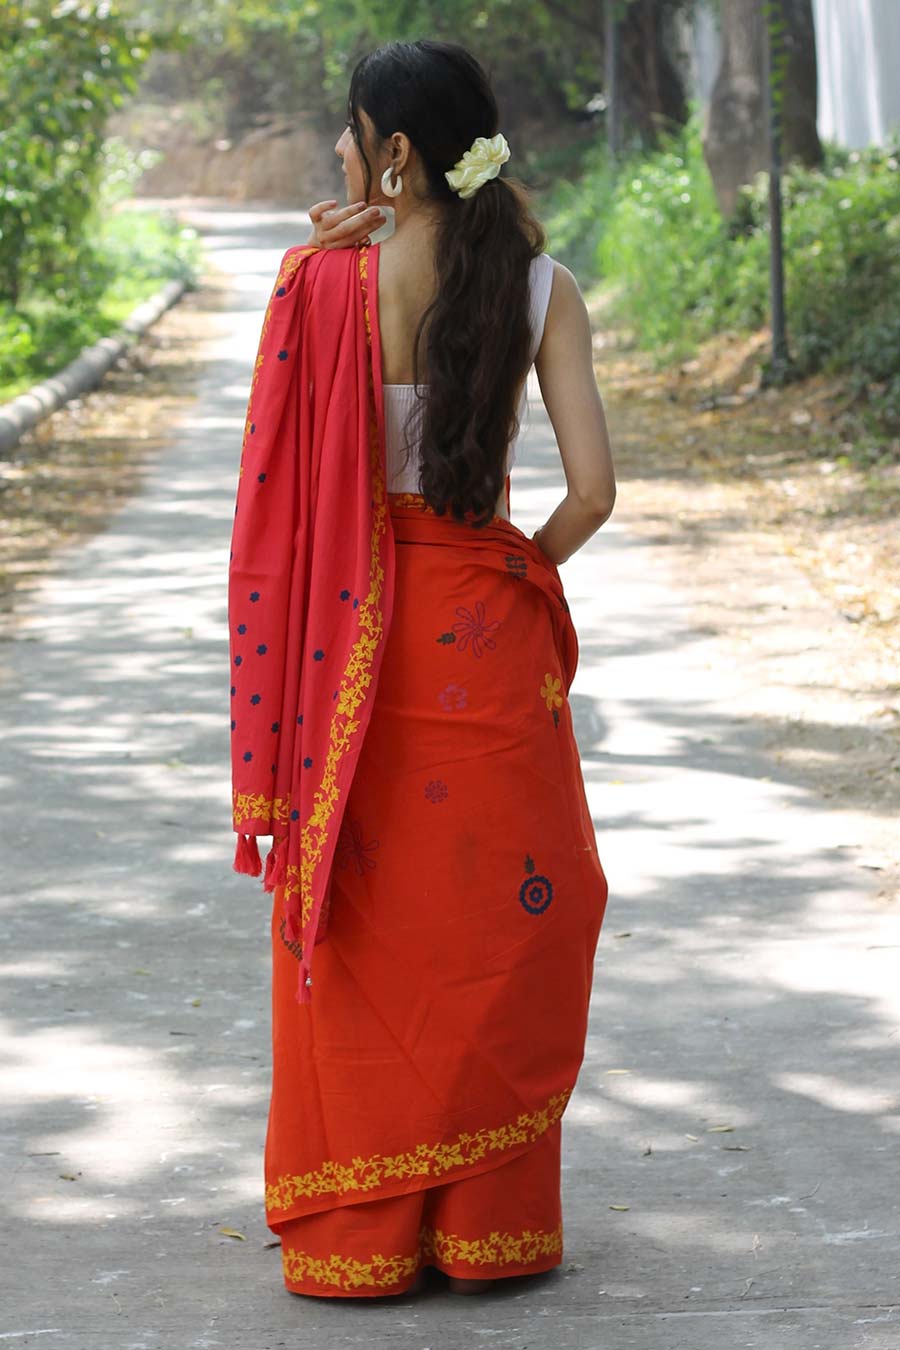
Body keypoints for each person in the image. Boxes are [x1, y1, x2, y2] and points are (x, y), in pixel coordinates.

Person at [227, 38, 615, 1301]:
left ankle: (369, 1235)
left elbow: (276, 510)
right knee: (497, 918)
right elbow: (593, 496)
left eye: (352, 133)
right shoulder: (542, 282)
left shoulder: (322, 286)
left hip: (355, 645)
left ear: (395, 152)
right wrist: (521, 569)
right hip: (486, 633)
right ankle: (489, 1223)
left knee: (361, 929)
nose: (337, 153)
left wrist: (322, 258)